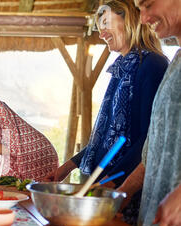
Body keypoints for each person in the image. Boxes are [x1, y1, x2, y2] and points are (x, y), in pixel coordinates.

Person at [43, 1, 168, 213]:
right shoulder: (121, 68)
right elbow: (103, 139)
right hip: (106, 185)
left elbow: (149, 139)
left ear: (129, 20)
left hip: (128, 190)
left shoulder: (153, 65)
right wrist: (66, 168)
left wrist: (114, 181)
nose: (101, 34)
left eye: (106, 24)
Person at [117, 0, 181, 226]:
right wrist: (123, 192)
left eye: (148, 4)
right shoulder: (175, 62)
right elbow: (156, 150)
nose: (143, 19)